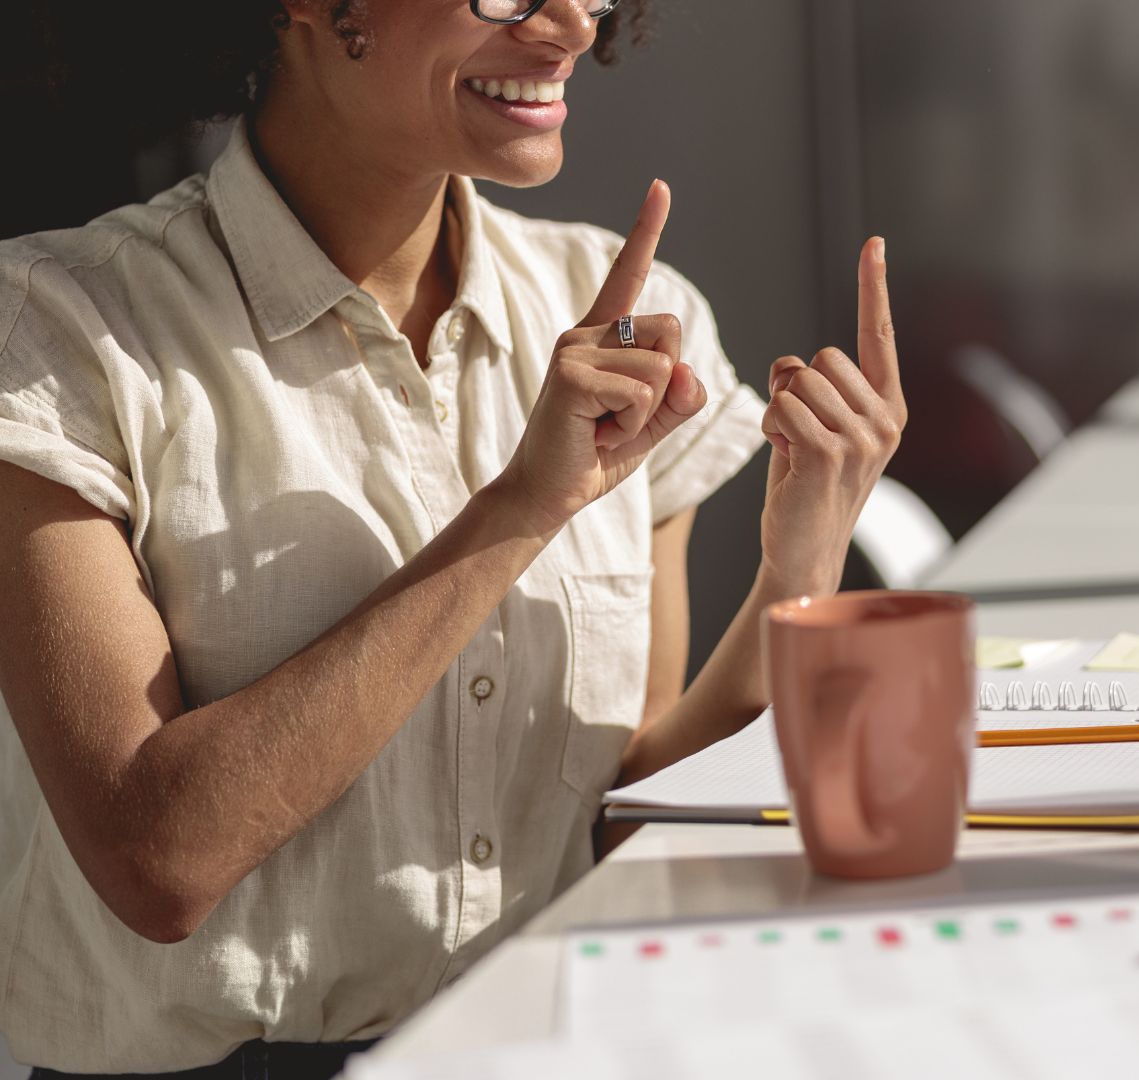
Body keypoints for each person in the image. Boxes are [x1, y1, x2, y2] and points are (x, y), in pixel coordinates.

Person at [0, 0, 907, 1075]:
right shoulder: (56, 335)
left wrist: (797, 575)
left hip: (564, 1045)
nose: (569, 23)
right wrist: (520, 507)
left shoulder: (625, 308)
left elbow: (620, 822)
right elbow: (157, 863)